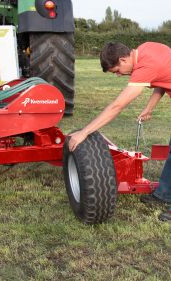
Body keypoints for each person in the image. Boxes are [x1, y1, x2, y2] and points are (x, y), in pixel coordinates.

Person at [68, 41, 171, 222]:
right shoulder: (146, 48)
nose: (118, 75)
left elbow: (117, 106)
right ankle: (163, 195)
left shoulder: (145, 66)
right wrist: (149, 108)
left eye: (116, 71)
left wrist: (84, 132)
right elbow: (164, 79)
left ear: (123, 59)